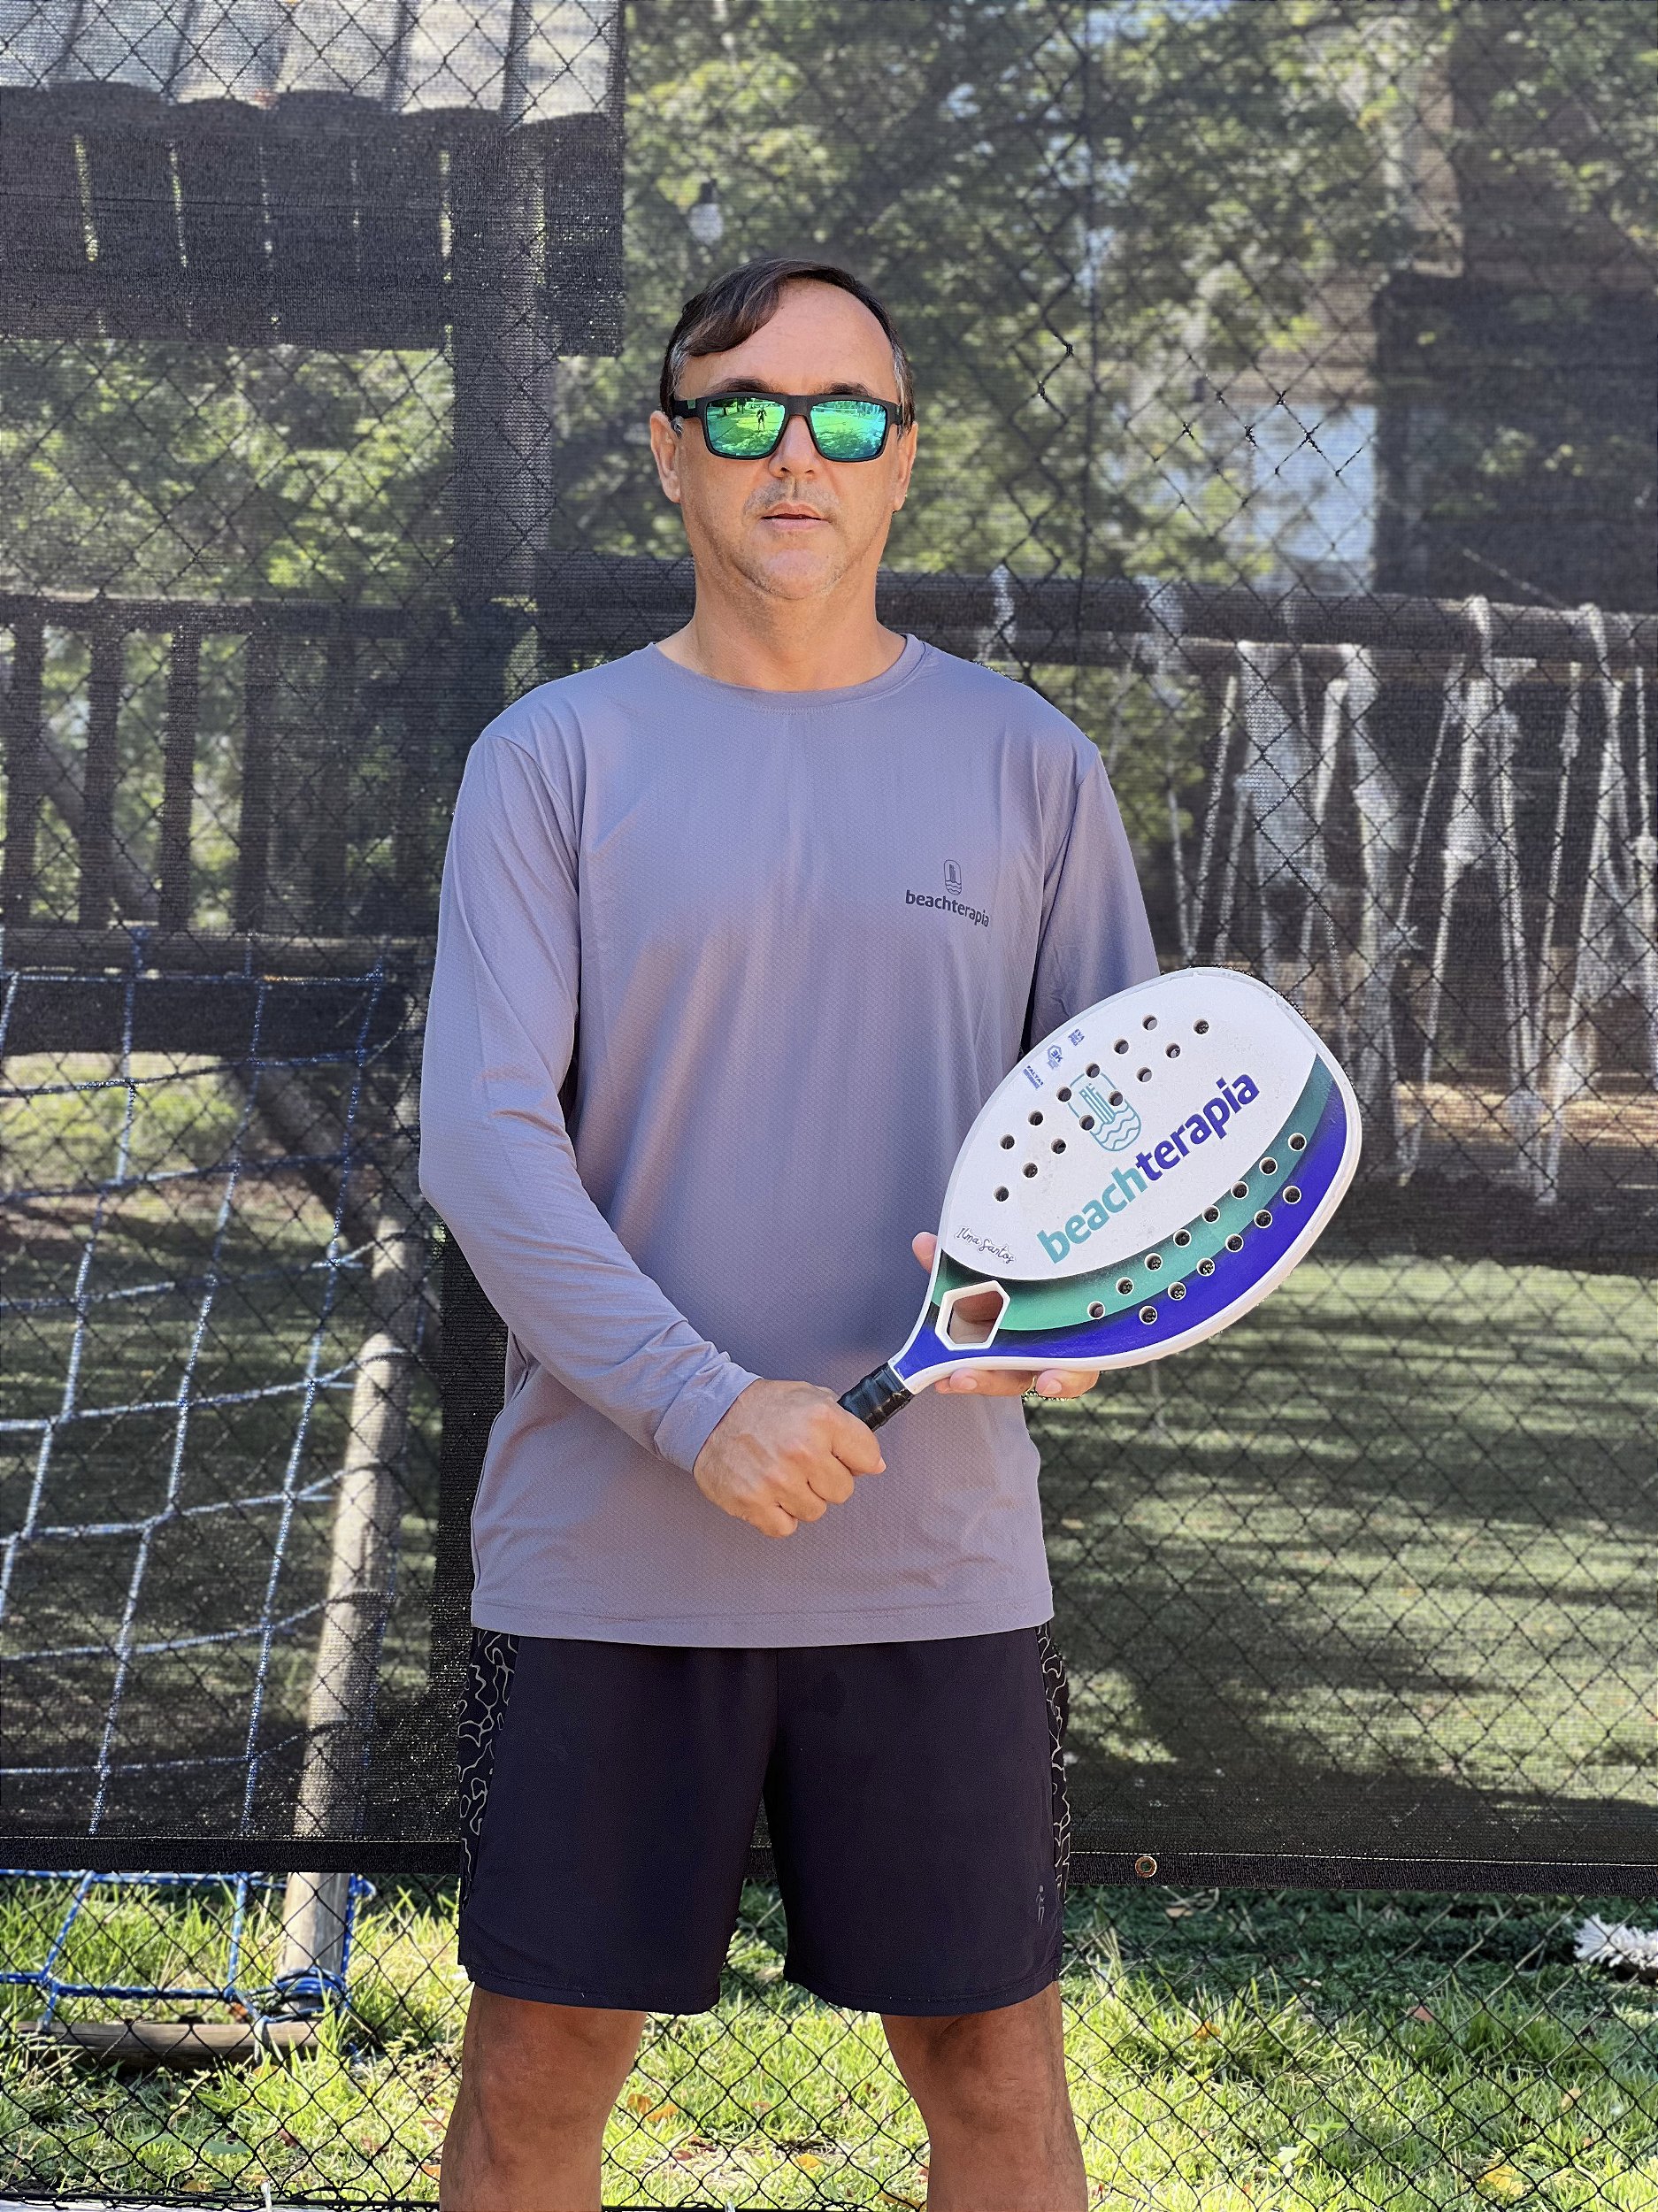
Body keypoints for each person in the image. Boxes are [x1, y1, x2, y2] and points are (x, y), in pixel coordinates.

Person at [420, 256, 1158, 2212]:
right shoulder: (551, 758)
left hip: (936, 1567)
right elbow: (483, 1145)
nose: (795, 455)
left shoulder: (1030, 765)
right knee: (533, 2075)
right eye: (743, 412)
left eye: (845, 415)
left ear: (905, 459)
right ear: (670, 455)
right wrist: (699, 1404)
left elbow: (1129, 1158)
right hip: (606, 1564)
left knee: (995, 2074)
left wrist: (1084, 1326)